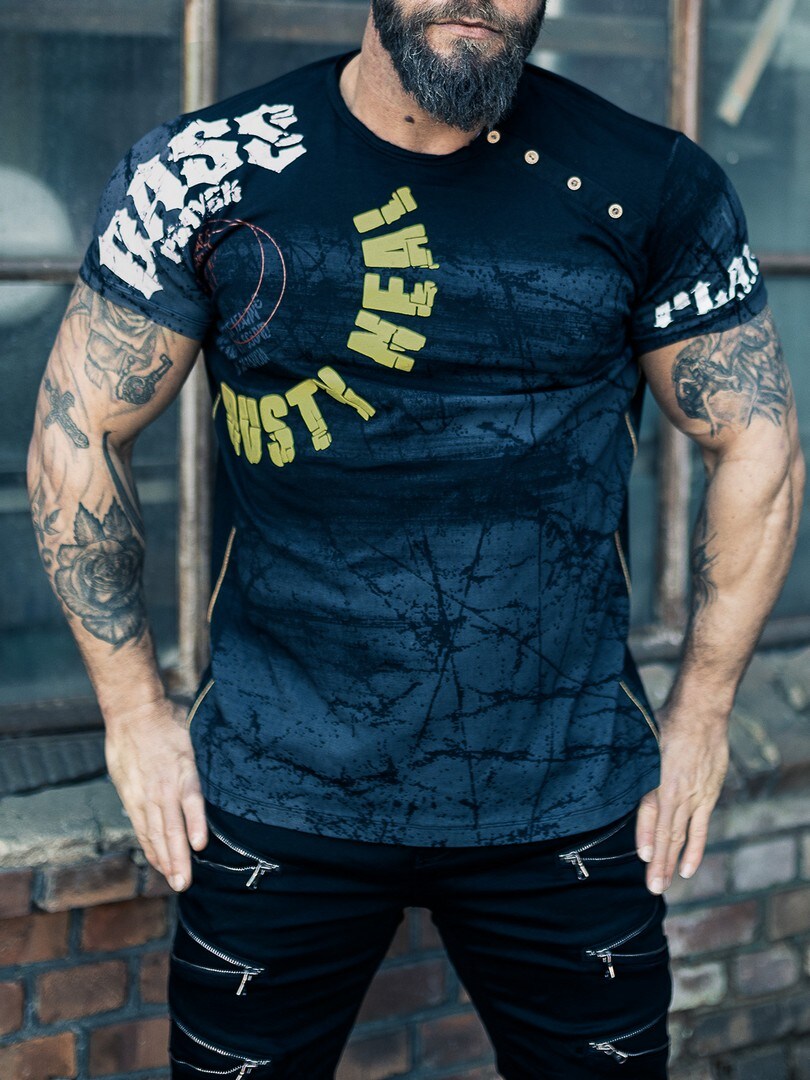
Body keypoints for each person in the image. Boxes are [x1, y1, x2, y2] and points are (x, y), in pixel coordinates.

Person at [28, 0, 804, 1076]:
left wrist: (705, 712)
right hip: (277, 783)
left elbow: (757, 440)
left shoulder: (648, 179)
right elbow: (79, 429)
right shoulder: (207, 169)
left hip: (566, 793)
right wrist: (130, 713)